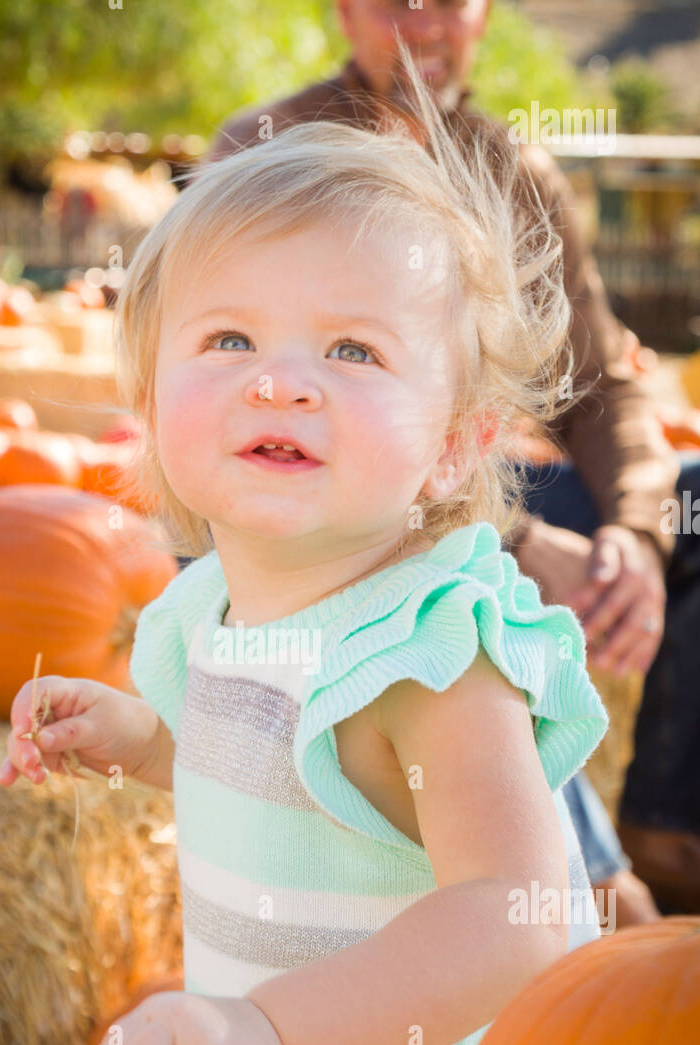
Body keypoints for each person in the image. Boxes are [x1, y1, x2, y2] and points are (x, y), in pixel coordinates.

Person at [0, 48, 610, 1045]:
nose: (279, 378)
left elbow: (516, 910)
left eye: (350, 349)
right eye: (228, 337)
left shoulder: (430, 651)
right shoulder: (208, 606)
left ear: (453, 447)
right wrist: (134, 735)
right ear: (149, 392)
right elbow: (277, 767)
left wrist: (257, 1031)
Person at [194, 0, 700, 917]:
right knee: (449, 601)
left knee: (691, 505)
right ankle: (583, 879)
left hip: (465, 485)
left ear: (485, 16)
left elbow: (601, 383)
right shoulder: (269, 152)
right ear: (345, 12)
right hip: (321, 513)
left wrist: (636, 536)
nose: (422, 20)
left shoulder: (517, 173)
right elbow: (309, 431)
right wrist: (511, 537)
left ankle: (668, 833)